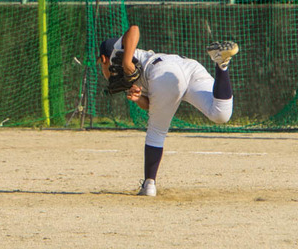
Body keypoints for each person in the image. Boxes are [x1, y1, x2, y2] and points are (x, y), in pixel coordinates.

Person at [98, 24, 239, 197]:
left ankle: (149, 185)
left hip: (163, 71)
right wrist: (139, 98)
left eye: (100, 64)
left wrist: (127, 62)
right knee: (220, 114)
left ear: (103, 59)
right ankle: (222, 65)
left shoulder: (113, 54)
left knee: (157, 131)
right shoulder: (124, 77)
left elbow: (134, 29)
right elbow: (151, 105)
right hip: (188, 67)